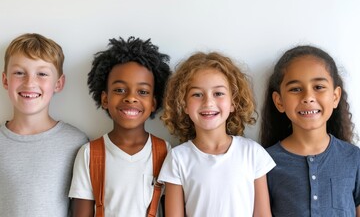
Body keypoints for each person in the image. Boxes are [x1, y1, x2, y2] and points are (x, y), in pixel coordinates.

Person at [158, 52, 276, 217]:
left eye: (218, 93)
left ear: (233, 102)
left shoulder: (252, 153)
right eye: (197, 94)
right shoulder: (178, 158)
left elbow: (263, 214)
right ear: (183, 104)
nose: (208, 102)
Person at [69, 36, 172, 217]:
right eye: (119, 89)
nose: (131, 98)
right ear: (105, 99)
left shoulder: (164, 151)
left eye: (142, 92)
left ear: (154, 102)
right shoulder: (89, 154)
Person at [260, 45, 360, 216]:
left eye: (319, 87)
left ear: (335, 97)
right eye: (296, 89)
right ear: (279, 102)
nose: (308, 97)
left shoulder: (354, 158)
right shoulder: (264, 162)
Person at [0, 33, 89, 217]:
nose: (30, 82)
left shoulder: (76, 143)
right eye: (19, 72)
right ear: (5, 80)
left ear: (58, 83)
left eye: (41, 74)